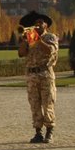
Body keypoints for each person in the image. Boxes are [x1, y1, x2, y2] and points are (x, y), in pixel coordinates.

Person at [16, 11, 59, 143]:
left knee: (47, 104)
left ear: (46, 25)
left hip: (45, 74)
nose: (38, 25)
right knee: (34, 105)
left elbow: (50, 51)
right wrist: (25, 40)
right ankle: (38, 132)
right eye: (36, 23)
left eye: (41, 22)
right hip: (31, 75)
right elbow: (21, 53)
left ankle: (49, 131)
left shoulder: (50, 37)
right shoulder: (28, 37)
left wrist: (38, 40)